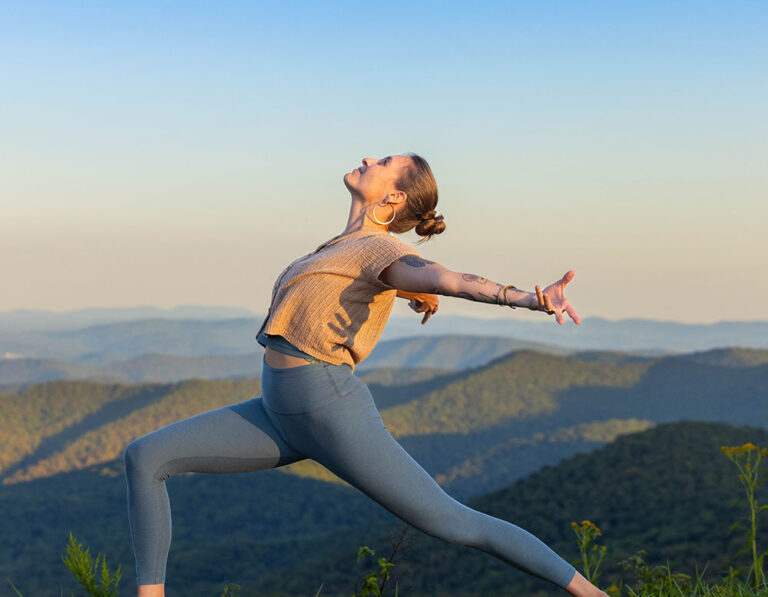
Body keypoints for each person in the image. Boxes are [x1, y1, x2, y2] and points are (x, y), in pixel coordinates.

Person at [124, 153, 605, 597]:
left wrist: (527, 298)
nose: (369, 159)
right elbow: (375, 283)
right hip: (279, 412)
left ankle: (590, 593)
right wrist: (404, 292)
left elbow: (446, 278)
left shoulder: (380, 249)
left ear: (393, 197)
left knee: (454, 522)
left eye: (384, 162)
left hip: (328, 408)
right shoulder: (346, 246)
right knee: (146, 457)